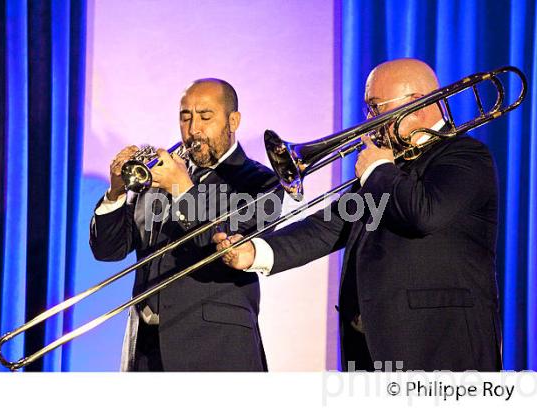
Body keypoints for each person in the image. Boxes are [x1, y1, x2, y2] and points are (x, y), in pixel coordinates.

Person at [214, 59, 502, 371]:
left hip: (441, 350)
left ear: (417, 104)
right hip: (371, 353)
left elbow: (424, 214)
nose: (369, 120)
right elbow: (328, 227)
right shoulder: (392, 166)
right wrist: (254, 252)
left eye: (377, 107)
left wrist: (379, 169)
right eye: (368, 108)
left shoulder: (466, 156)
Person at [90, 79, 283, 371]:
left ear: (233, 120)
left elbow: (222, 243)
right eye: (185, 117)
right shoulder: (158, 174)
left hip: (217, 351)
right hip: (144, 352)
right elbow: (109, 250)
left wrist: (182, 189)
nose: (193, 129)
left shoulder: (260, 182)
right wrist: (116, 192)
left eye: (206, 117)